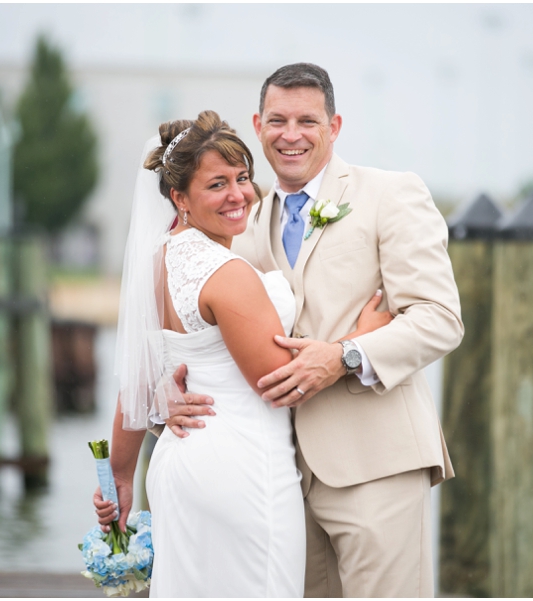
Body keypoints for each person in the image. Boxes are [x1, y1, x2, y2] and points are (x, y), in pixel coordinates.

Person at [161, 63, 463, 597]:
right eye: (278, 120)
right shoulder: (242, 215)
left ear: (335, 126)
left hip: (377, 465)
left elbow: (440, 319)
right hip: (277, 477)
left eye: (308, 121)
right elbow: (204, 321)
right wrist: (172, 385)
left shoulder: (391, 194)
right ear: (258, 125)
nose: (291, 135)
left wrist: (346, 354)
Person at [93, 110, 391, 597]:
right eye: (217, 185)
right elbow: (279, 382)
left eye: (243, 177)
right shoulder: (225, 272)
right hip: (242, 468)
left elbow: (136, 383)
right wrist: (356, 343)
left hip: (177, 467)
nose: (238, 195)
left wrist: (122, 477)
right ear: (179, 198)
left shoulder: (156, 263)